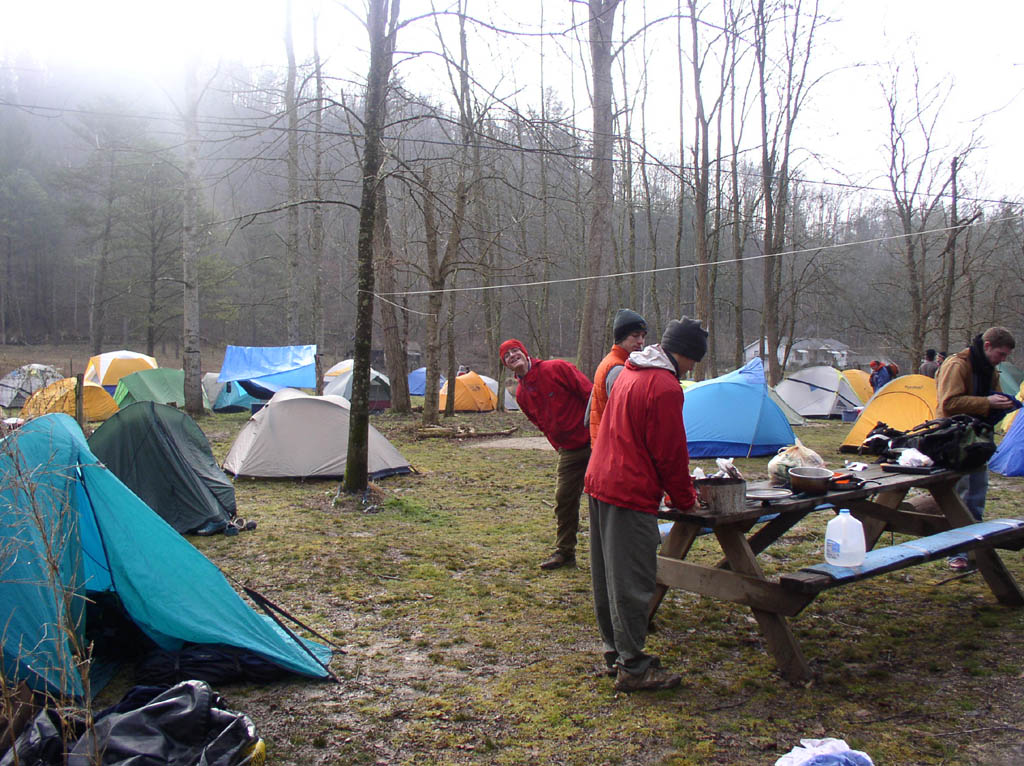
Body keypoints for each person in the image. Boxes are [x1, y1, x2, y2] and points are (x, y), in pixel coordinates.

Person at [584, 316, 707, 692]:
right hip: (628, 490)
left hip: (601, 481)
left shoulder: (632, 371)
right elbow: (670, 454)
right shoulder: (664, 386)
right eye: (693, 361)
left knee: (608, 576)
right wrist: (686, 500)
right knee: (633, 580)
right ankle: (634, 667)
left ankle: (616, 653)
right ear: (686, 355)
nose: (692, 369)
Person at [500, 338, 593, 570]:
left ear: (524, 352)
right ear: (506, 365)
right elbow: (540, 423)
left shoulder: (556, 368)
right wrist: (559, 445)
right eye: (507, 356)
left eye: (515, 351)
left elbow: (591, 396)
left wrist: (599, 434)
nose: (513, 356)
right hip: (569, 452)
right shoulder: (521, 394)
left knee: (604, 498)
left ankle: (612, 552)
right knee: (564, 500)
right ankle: (565, 552)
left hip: (595, 443)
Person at [935, 326, 1016, 570]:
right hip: (955, 439)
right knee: (960, 498)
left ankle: (974, 549)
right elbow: (948, 403)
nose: (1002, 360)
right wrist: (987, 402)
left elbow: (992, 395)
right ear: (987, 345)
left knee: (977, 496)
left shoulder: (988, 367)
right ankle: (956, 554)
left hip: (978, 438)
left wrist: (1002, 402)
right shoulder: (957, 365)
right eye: (1001, 354)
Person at [589, 308, 647, 445]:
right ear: (621, 337)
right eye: (635, 335)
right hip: (612, 448)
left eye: (643, 336)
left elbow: (588, 414)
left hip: (604, 445)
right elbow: (624, 419)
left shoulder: (611, 361)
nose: (641, 341)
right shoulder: (618, 369)